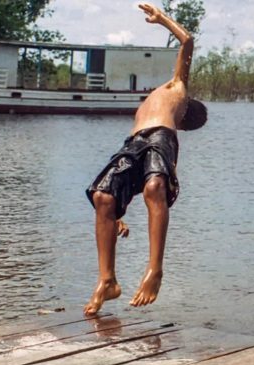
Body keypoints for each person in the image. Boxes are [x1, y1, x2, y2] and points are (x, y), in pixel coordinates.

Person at [83, 3, 207, 316]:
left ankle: (155, 271)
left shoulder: (178, 86)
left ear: (185, 108)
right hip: (134, 141)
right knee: (103, 196)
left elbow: (187, 41)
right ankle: (107, 281)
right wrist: (116, 214)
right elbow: (129, 177)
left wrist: (161, 19)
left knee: (155, 188)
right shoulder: (155, 99)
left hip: (159, 137)